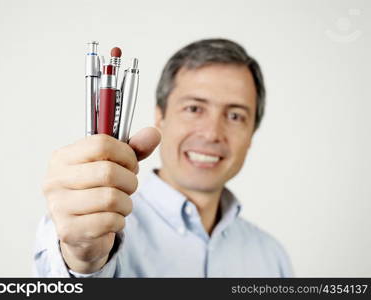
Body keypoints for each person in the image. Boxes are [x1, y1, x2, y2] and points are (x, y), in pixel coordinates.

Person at [33, 38, 293, 277]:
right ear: (160, 116)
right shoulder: (85, 222)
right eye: (194, 108)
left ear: (252, 133)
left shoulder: (273, 258)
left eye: (235, 115)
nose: (213, 133)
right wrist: (82, 258)